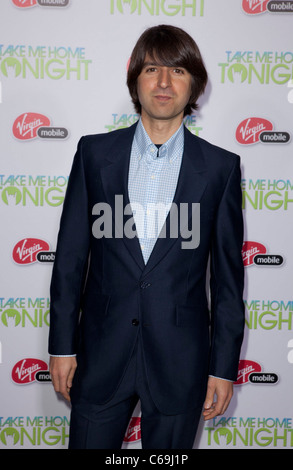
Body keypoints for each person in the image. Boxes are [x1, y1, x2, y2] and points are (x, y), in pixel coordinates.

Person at [49, 24, 244, 449]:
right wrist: (61, 346)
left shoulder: (220, 168)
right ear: (135, 79)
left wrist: (223, 368)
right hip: (100, 357)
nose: (163, 82)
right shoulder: (94, 154)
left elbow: (229, 282)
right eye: (152, 68)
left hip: (181, 362)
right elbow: (69, 260)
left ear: (194, 83)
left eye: (177, 70)